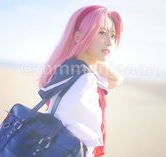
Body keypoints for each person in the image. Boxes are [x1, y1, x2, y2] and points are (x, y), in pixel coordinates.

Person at [38, 5, 123, 157]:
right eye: (102, 32)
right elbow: (85, 142)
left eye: (113, 35)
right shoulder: (85, 81)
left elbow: (117, 79)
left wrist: (92, 59)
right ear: (78, 36)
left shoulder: (66, 70)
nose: (110, 42)